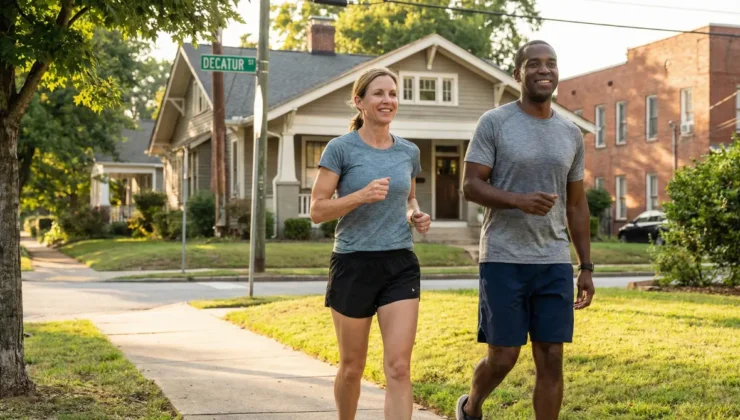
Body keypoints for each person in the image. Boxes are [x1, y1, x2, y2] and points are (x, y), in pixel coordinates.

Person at [456, 40, 595, 420]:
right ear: (518, 73)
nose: (544, 70)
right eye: (534, 64)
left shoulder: (570, 133)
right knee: (503, 356)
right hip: (503, 257)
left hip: (552, 260)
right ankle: (471, 407)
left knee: (551, 356)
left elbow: (577, 204)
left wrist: (586, 266)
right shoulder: (495, 123)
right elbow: (470, 185)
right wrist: (518, 200)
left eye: (551, 63)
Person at [310, 67, 431, 420]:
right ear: (359, 102)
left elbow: (409, 200)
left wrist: (415, 215)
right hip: (353, 262)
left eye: (392, 93)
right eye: (379, 93)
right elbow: (317, 210)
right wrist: (359, 196)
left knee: (399, 368)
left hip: (399, 263)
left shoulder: (408, 151)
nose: (388, 100)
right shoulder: (340, 149)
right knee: (351, 367)